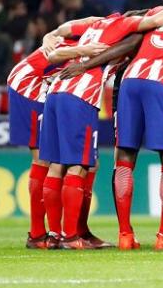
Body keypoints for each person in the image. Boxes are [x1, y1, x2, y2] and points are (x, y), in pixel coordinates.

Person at [39, 2, 163, 250]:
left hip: (58, 91)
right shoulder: (126, 26)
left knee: (59, 166)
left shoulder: (95, 22)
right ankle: (72, 236)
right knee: (79, 165)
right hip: (81, 95)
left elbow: (55, 46)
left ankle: (59, 234)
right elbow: (151, 23)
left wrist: (53, 40)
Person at [6, 17, 107, 249]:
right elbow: (65, 30)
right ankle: (39, 234)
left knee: (83, 162)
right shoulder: (94, 30)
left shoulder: (99, 35)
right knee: (44, 159)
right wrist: (53, 37)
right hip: (31, 86)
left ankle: (75, 231)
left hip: (53, 88)